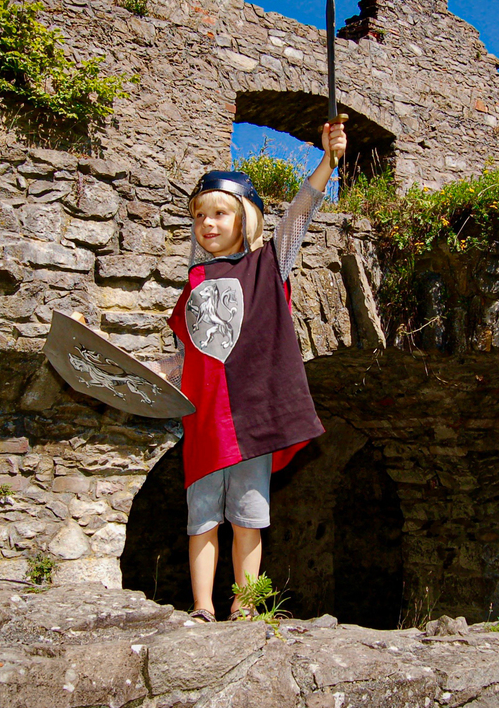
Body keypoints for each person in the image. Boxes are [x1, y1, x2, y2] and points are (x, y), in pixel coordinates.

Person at [150, 121, 347, 622]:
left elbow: (299, 216)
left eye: (219, 213)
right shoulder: (193, 283)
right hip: (203, 420)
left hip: (251, 418)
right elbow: (185, 354)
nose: (207, 224)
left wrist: (328, 160)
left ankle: (246, 603)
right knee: (201, 521)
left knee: (248, 519)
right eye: (199, 215)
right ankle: (201, 607)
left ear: (245, 218)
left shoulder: (266, 265)